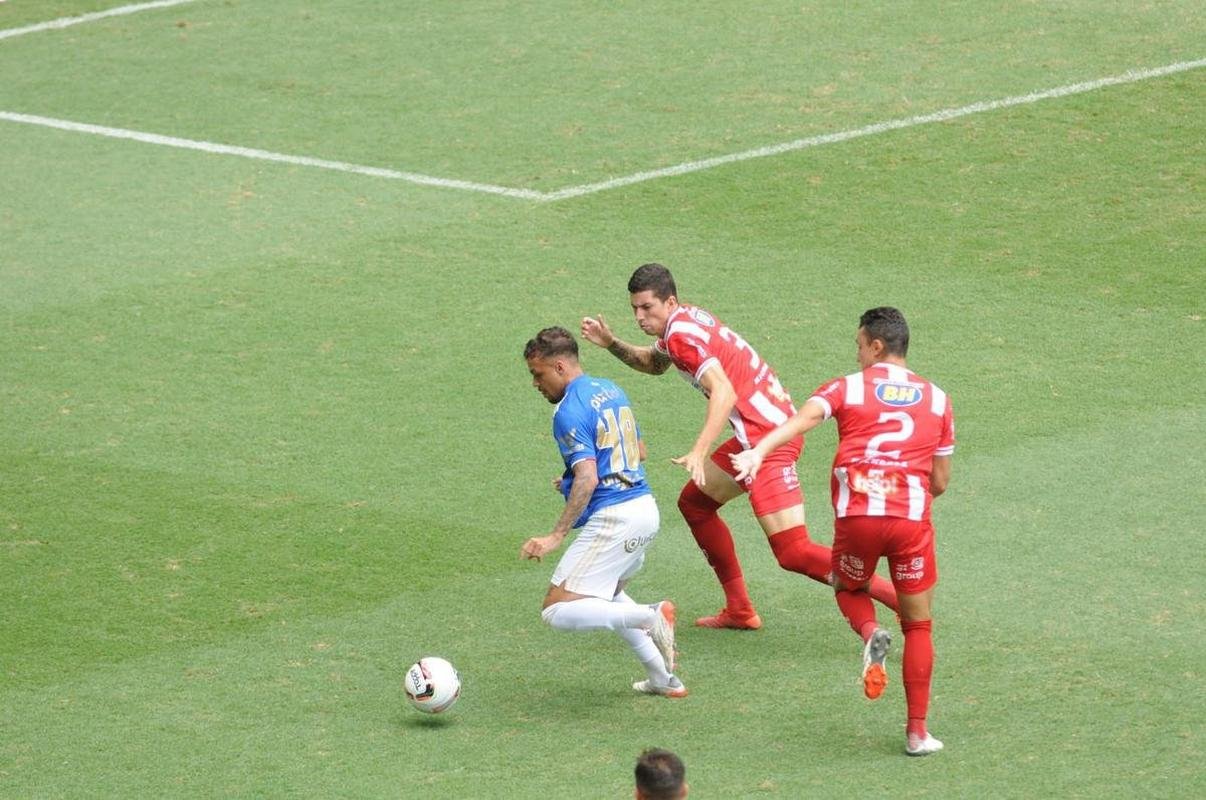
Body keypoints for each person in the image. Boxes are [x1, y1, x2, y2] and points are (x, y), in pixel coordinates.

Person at [581, 263, 897, 629]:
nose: (639, 316)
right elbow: (654, 364)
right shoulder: (682, 323)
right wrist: (610, 343)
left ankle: (898, 600)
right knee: (695, 504)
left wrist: (699, 451)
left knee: (793, 551)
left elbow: (724, 392)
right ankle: (740, 609)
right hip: (759, 433)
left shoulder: (681, 336)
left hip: (769, 439)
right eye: (634, 308)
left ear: (669, 302)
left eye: (647, 307)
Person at [732, 307, 952, 756]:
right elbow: (941, 481)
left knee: (846, 585)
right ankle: (916, 734)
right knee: (919, 625)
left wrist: (760, 452)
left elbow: (803, 420)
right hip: (910, 521)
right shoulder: (938, 399)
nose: (856, 355)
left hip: (858, 518)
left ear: (876, 346)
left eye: (858, 347)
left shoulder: (847, 387)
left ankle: (870, 630)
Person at [520, 326, 685, 698]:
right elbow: (638, 451)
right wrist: (571, 479)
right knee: (607, 594)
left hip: (617, 519)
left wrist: (555, 535)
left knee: (556, 610)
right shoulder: (611, 390)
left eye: (537, 374)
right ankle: (664, 679)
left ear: (560, 366)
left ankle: (650, 614)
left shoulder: (567, 411)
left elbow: (588, 478)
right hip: (646, 512)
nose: (535, 383)